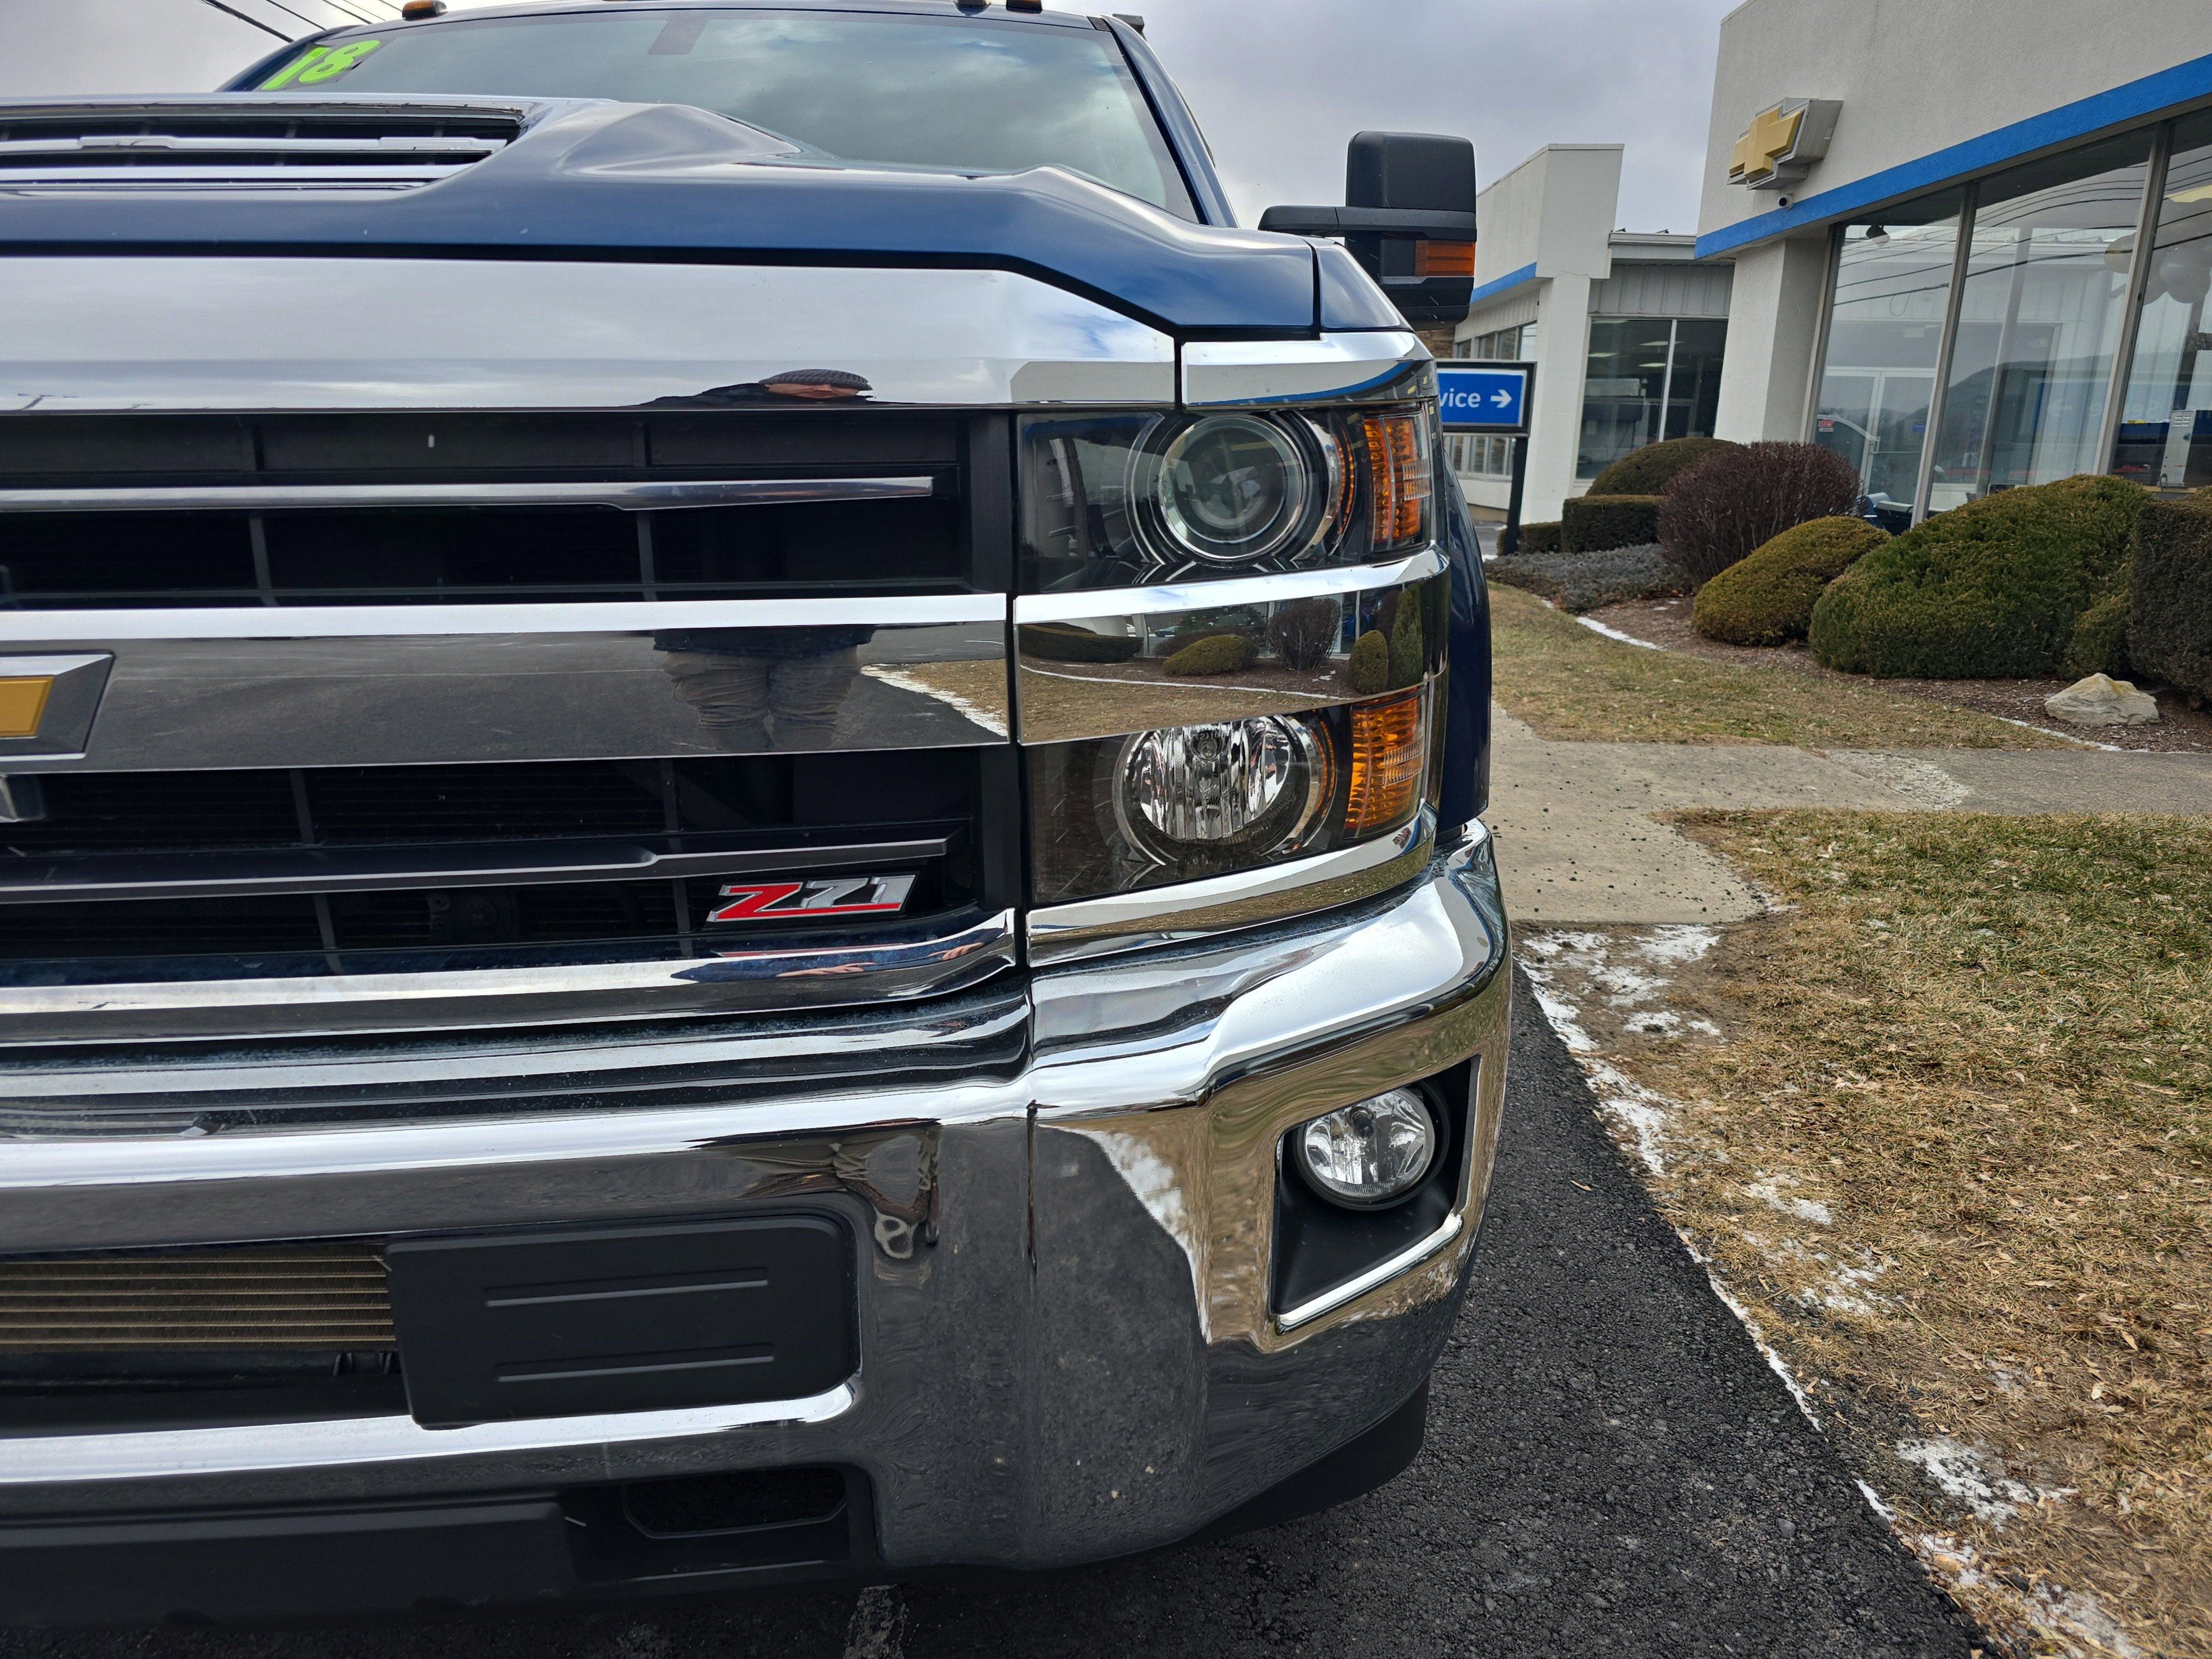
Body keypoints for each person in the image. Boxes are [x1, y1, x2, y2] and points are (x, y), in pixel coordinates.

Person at [654, 625, 874, 752]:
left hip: (706, 633)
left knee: (731, 723)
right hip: (824, 631)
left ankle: (765, 806)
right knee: (807, 724)